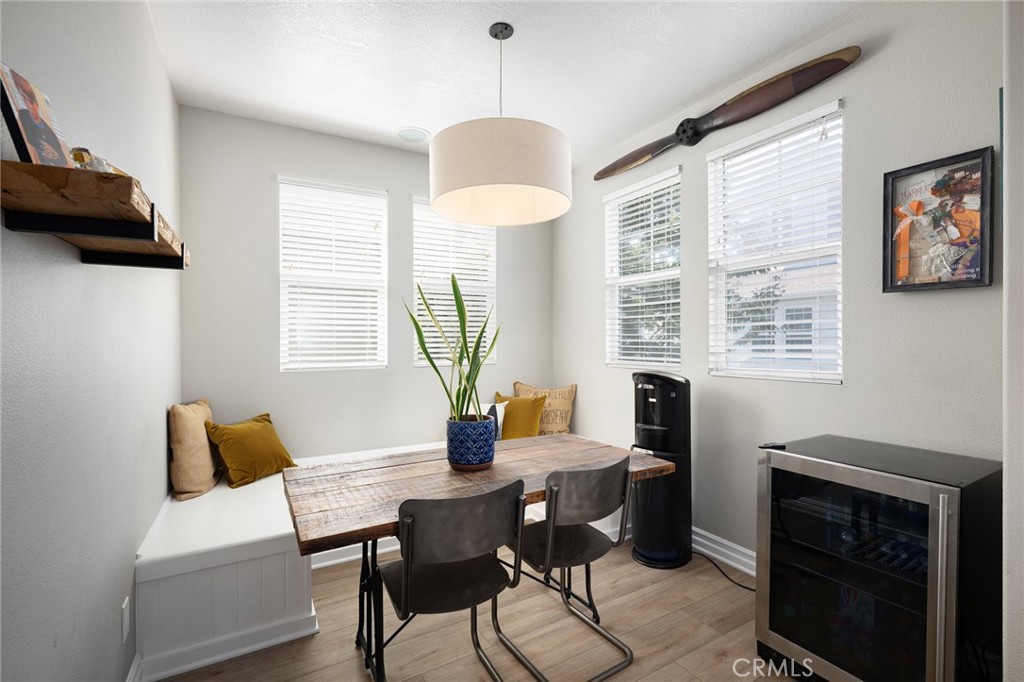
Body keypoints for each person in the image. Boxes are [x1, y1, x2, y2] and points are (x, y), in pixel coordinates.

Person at [10, 69, 68, 166]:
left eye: (31, 101)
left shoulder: (50, 134)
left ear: (37, 103)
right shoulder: (23, 115)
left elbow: (62, 161)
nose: (28, 105)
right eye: (24, 98)